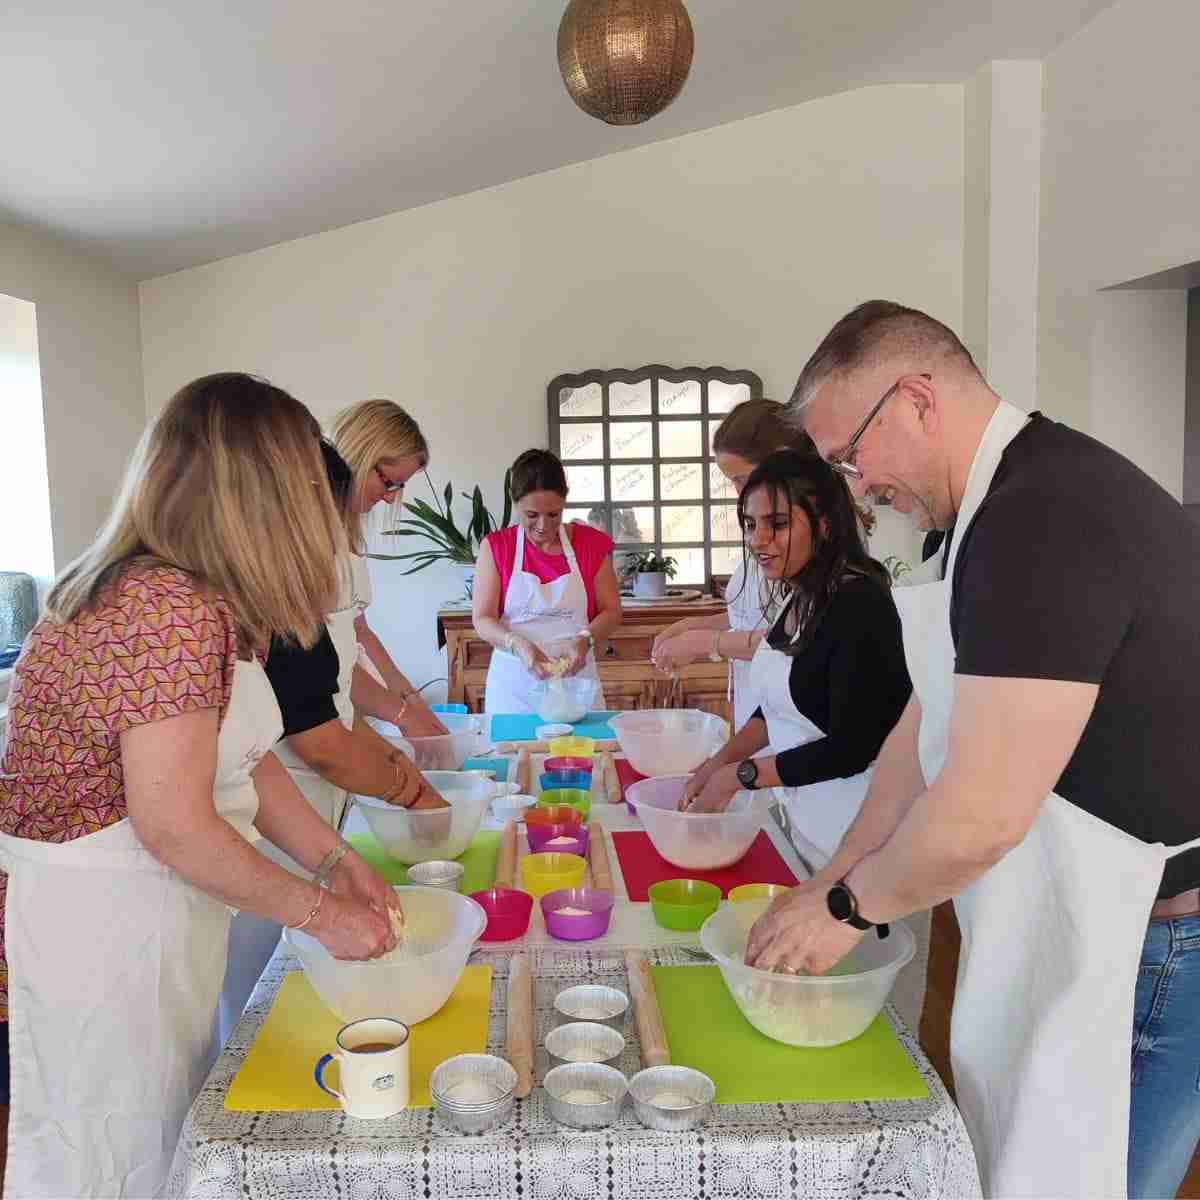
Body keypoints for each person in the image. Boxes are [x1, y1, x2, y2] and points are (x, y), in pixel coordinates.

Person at [754, 300, 1200, 1199]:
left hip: (1155, 947)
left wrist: (843, 909)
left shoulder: (1044, 517)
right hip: (1083, 925)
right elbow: (921, 730)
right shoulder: (980, 518)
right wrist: (832, 872)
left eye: (851, 457)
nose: (854, 486)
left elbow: (982, 811)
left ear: (917, 398)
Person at [0, 373, 404, 1198]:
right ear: (262, 492)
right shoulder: (162, 604)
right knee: (109, 1151)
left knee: (158, 1131)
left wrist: (335, 860)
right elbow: (176, 823)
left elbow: (244, 753)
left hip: (152, 909)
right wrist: (322, 913)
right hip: (105, 927)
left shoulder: (203, 596)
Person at [219, 436, 446, 1044]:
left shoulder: (265, 609)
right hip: (148, 897)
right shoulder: (179, 612)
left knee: (241, 1027)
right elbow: (314, 742)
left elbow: (260, 754)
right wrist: (320, 907)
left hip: (262, 828)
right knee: (238, 1013)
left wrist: (337, 859)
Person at [678, 452, 912, 876]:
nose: (758, 539)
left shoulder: (859, 604)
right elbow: (780, 704)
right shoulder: (801, 594)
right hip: (811, 823)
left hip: (861, 841)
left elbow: (851, 748)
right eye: (750, 525)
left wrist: (738, 776)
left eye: (778, 524)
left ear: (823, 525)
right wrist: (718, 762)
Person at [651, 398, 810, 728]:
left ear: (782, 460)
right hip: (760, 707)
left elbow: (798, 635)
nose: (739, 493)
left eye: (743, 478)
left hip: (797, 712)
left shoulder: (810, 531)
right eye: (732, 481)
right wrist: (698, 625)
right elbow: (763, 611)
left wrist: (705, 642)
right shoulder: (767, 524)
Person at [329, 398, 449, 739]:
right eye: (389, 482)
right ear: (358, 455)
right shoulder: (305, 537)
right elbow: (328, 658)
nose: (392, 498)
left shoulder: (347, 534)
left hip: (342, 716)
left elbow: (359, 631)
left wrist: (413, 700)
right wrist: (403, 715)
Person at [472, 449, 622, 713]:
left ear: (565, 502)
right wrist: (518, 644)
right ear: (515, 503)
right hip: (514, 690)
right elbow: (482, 618)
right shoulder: (497, 547)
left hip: (577, 685)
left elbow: (612, 612)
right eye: (532, 515)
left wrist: (585, 640)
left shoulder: (591, 545)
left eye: (553, 514)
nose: (543, 525)